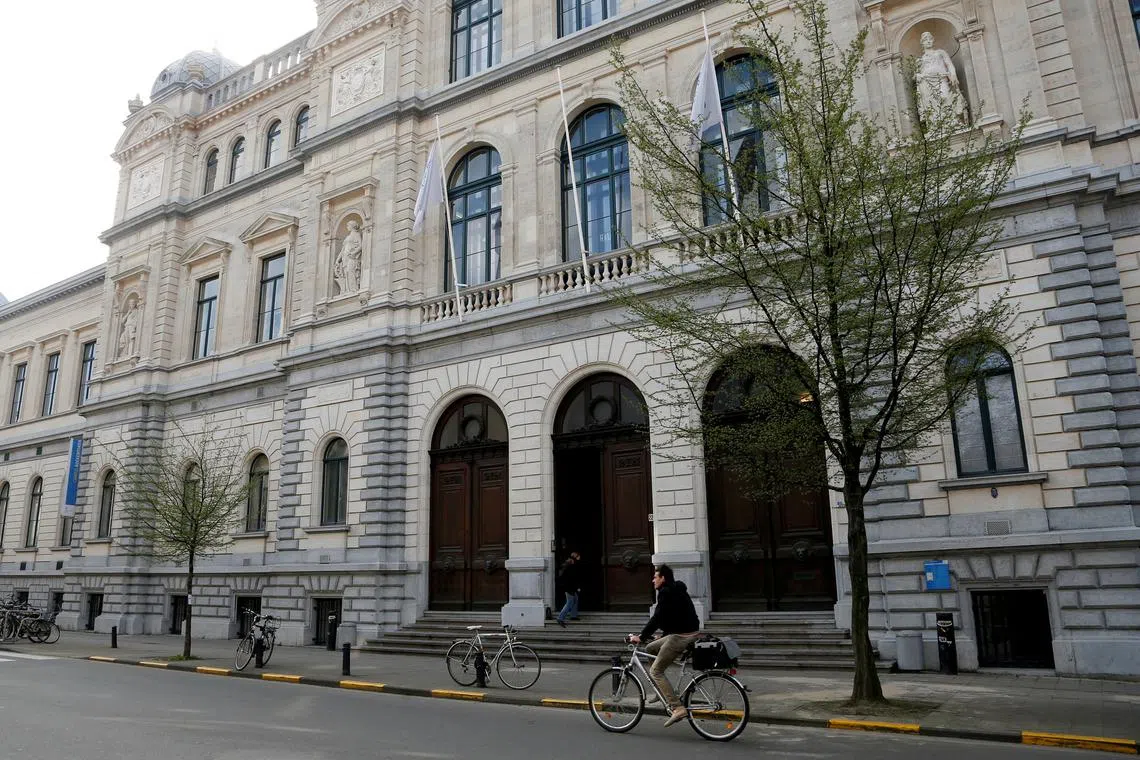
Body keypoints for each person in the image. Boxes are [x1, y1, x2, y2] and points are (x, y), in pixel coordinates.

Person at [630, 564, 701, 728]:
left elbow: (657, 618)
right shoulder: (676, 589)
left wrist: (641, 637)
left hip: (681, 636)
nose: (652, 580)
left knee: (655, 671)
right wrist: (663, 636)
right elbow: (674, 616)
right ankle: (660, 690)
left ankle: (677, 707)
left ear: (663, 578)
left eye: (655, 577)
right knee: (650, 648)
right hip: (687, 631)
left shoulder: (666, 592)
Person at [555, 551, 581, 627]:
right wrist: (576, 588)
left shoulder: (571, 566)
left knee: (575, 600)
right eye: (578, 556)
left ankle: (573, 615)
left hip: (570, 588)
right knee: (569, 602)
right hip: (569, 588)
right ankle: (560, 618)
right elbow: (571, 580)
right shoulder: (570, 567)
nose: (579, 558)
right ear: (575, 558)